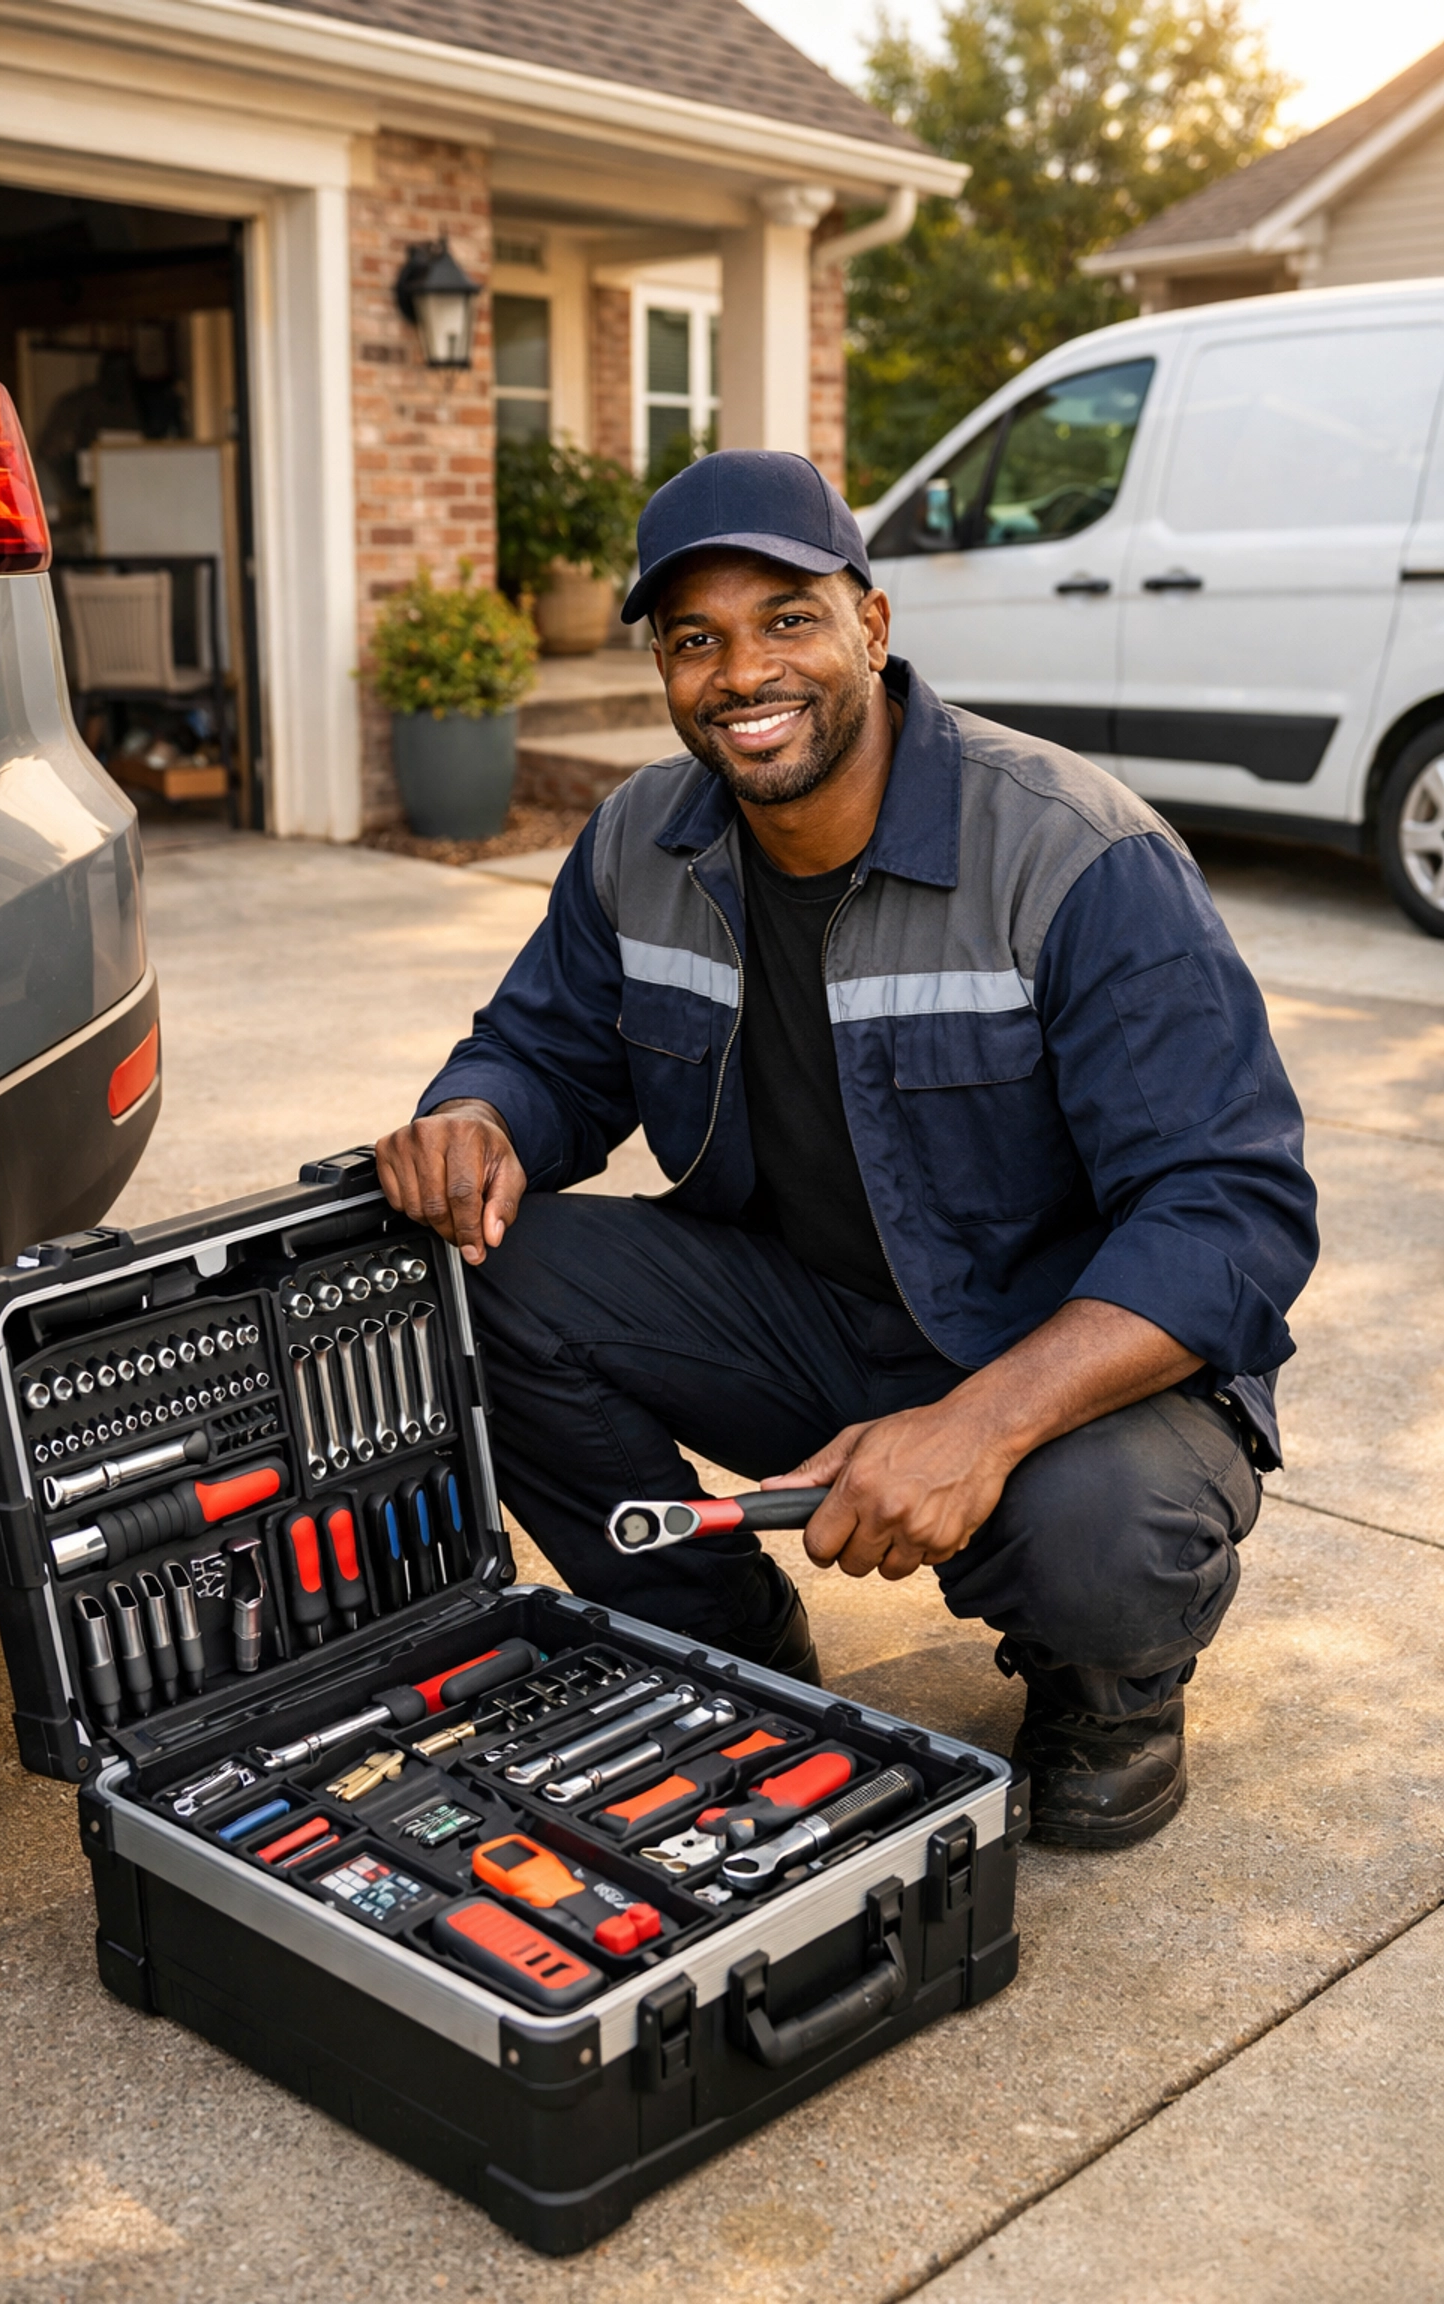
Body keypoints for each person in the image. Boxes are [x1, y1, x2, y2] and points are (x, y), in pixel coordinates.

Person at [377, 451, 1317, 1850]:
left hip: (1061, 1359)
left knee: (1106, 1535)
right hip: (804, 1318)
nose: (742, 672)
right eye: (696, 638)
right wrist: (480, 1115)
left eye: (787, 619)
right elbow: (546, 1049)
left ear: (871, 628)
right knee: (489, 1271)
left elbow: (1230, 1215)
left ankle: (1104, 1686)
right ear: (662, 665)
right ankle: (718, 1643)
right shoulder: (644, 838)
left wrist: (979, 1424)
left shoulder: (1075, 857)